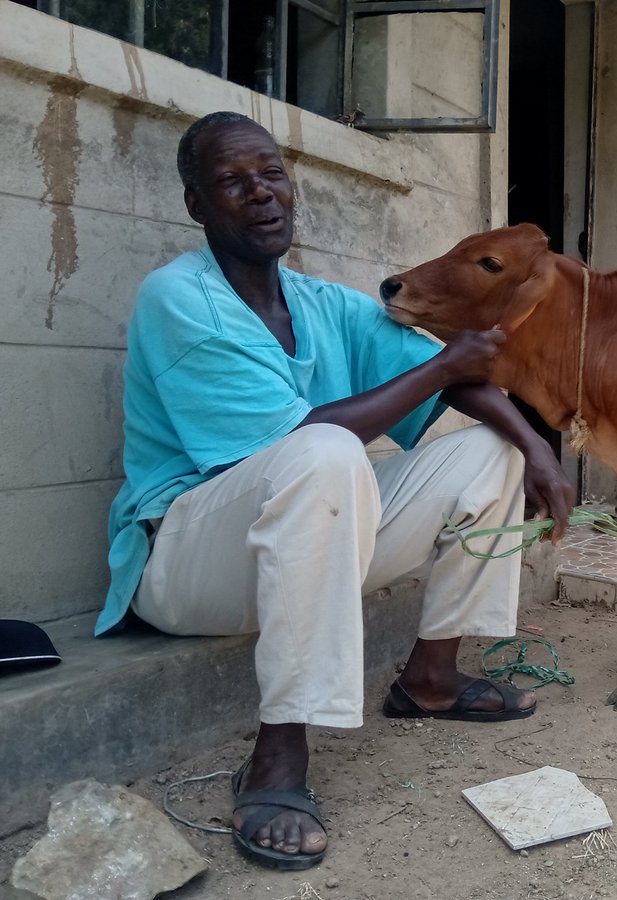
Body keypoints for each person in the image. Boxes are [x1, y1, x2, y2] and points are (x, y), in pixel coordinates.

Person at [96, 111, 575, 870]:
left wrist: (537, 450)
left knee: (492, 447)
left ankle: (431, 677)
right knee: (324, 449)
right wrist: (442, 367)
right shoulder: (179, 298)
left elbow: (458, 381)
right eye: (232, 181)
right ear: (197, 205)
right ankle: (279, 753)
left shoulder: (321, 302)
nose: (261, 192)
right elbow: (316, 431)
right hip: (186, 567)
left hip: (297, 542)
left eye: (271, 173)